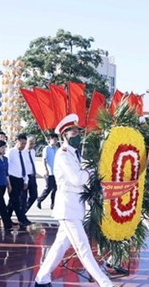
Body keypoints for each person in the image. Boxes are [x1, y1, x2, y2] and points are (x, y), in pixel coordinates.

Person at [35, 114, 113, 287]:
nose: (77, 134)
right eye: (73, 132)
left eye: (78, 131)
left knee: (59, 246)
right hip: (67, 208)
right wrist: (90, 171)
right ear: (64, 134)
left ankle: (41, 279)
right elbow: (77, 179)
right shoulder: (63, 155)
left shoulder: (75, 154)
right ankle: (106, 283)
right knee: (83, 247)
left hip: (75, 207)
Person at [6, 134, 31, 227]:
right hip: (12, 179)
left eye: (25, 143)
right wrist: (8, 183)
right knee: (16, 200)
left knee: (13, 201)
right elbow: (6, 167)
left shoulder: (24, 153)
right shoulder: (11, 152)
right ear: (17, 141)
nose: (23, 145)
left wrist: (25, 180)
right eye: (22, 143)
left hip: (21, 179)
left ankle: (6, 217)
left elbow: (25, 167)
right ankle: (22, 219)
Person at [0, 140, 13, 231]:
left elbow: (6, 173)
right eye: (2, 147)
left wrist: (9, 184)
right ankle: (7, 224)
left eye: (5, 147)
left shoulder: (5, 159)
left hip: (3, 183)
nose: (4, 149)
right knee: (1, 204)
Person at [37, 133, 59, 210]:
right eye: (54, 139)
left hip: (56, 172)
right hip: (49, 172)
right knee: (48, 188)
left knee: (55, 189)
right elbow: (44, 160)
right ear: (50, 140)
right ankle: (40, 199)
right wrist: (46, 170)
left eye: (56, 139)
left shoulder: (57, 149)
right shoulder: (46, 149)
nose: (55, 141)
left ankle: (53, 203)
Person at [24, 136, 38, 213]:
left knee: (34, 195)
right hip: (25, 176)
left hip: (32, 176)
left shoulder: (32, 151)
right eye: (30, 143)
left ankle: (24, 211)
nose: (32, 145)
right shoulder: (23, 152)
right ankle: (21, 213)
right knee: (23, 197)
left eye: (33, 144)